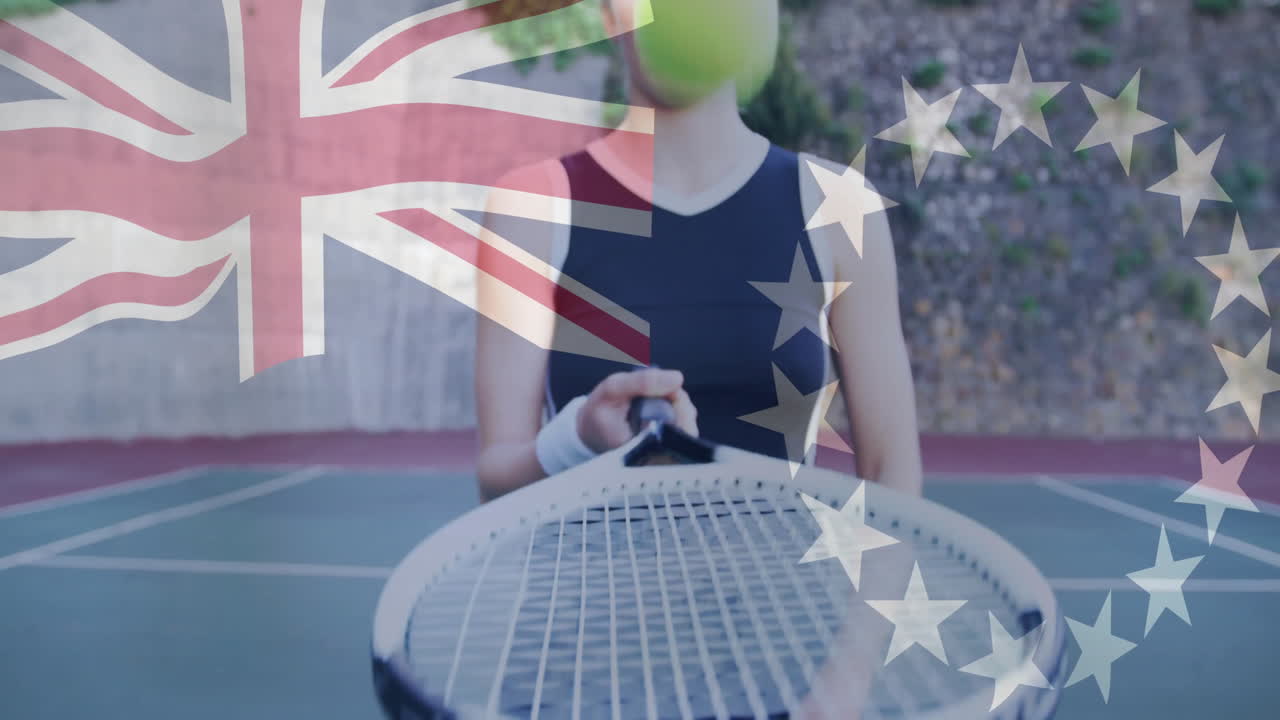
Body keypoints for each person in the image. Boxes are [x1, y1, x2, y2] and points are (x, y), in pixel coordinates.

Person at [474, 0, 922, 502]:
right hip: (590, 557)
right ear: (612, 15)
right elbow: (496, 477)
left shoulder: (838, 204)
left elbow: (892, 475)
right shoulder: (532, 207)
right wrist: (577, 438)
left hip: (779, 556)